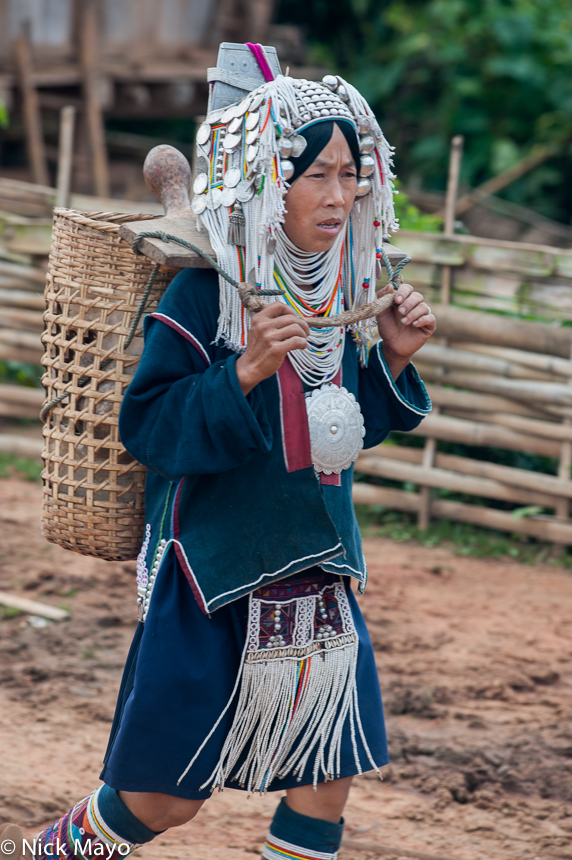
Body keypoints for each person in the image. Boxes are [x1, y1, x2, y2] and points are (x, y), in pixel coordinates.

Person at [4, 45, 435, 860]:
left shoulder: (339, 287)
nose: (340, 195)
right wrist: (241, 371)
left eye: (351, 175)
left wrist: (395, 360)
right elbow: (152, 427)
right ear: (272, 180)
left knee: (325, 777)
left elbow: (335, 429)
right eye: (318, 175)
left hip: (317, 562)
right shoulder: (205, 293)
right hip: (213, 571)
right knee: (162, 800)